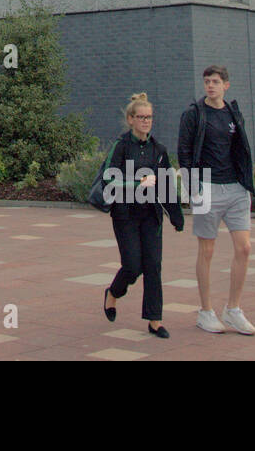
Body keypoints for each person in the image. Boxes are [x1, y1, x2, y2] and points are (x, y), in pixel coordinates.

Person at [177, 65, 255, 335]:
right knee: (207, 251)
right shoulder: (193, 114)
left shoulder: (234, 113)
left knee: (244, 248)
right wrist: (192, 190)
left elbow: (242, 148)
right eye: (207, 81)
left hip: (235, 188)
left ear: (226, 85)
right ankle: (206, 311)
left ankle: (233, 310)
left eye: (215, 81)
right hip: (206, 187)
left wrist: (246, 181)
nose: (210, 85)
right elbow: (184, 152)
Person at [101, 93, 183, 338]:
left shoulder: (159, 150)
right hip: (125, 215)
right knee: (132, 266)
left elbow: (166, 184)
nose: (146, 121)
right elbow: (109, 178)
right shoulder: (121, 146)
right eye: (141, 117)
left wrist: (176, 216)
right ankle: (113, 293)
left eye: (149, 117)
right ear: (130, 119)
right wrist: (138, 182)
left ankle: (154, 320)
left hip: (150, 216)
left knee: (153, 266)